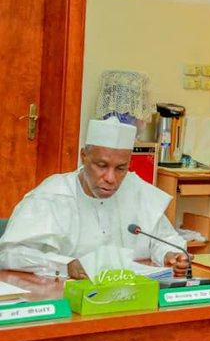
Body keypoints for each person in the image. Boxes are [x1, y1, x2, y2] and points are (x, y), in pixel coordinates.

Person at [0, 117, 189, 279]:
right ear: (84, 156)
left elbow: (164, 239)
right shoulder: (53, 195)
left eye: (120, 168)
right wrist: (66, 265)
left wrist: (169, 255)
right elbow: (9, 254)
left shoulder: (136, 190)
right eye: (101, 165)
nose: (110, 178)